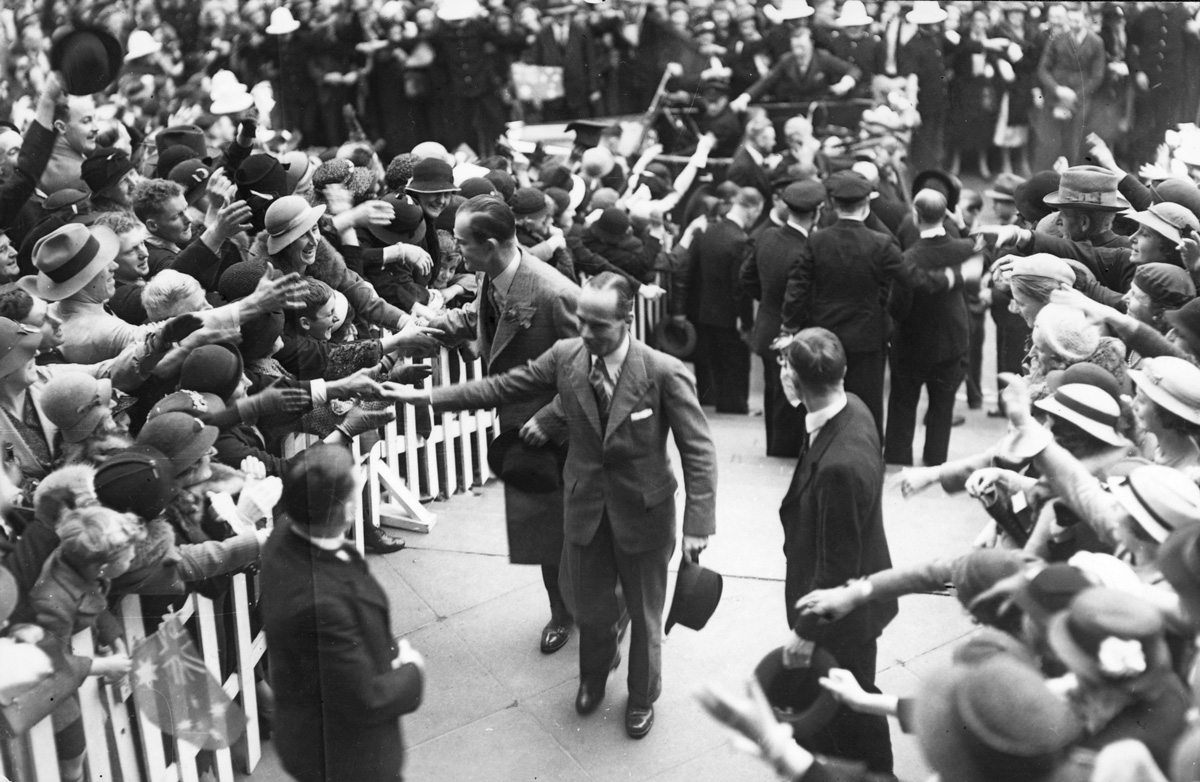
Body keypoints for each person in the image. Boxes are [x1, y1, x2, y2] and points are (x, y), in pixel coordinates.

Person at [393, 272, 717, 740]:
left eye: (598, 326)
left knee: (645, 618)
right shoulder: (568, 357)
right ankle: (592, 678)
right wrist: (424, 396)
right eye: (581, 322)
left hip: (645, 514)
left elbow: (699, 450)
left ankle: (642, 696)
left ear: (627, 320)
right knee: (590, 606)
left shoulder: (663, 372)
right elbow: (501, 387)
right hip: (585, 507)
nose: (585, 333)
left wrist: (698, 523)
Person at [424, 194, 581, 655]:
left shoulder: (555, 292)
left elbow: (589, 369)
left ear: (490, 244)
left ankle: (608, 609)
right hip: (519, 432)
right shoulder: (491, 275)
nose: (456, 252)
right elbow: (483, 319)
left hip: (562, 434)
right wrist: (431, 326)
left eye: (461, 243)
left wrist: (550, 419)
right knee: (542, 530)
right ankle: (562, 613)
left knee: (581, 530)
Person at [260, 444, 426, 782]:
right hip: (347, 757)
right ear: (349, 510)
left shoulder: (283, 536)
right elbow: (365, 698)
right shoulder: (321, 606)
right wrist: (412, 671)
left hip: (308, 732)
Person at [778, 327, 896, 774]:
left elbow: (836, 570)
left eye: (786, 367)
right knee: (847, 704)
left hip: (843, 620)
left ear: (793, 381)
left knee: (850, 711)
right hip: (856, 603)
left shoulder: (839, 467)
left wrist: (804, 633)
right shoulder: (854, 407)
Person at [782, 172, 903, 435]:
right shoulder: (881, 242)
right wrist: (887, 312)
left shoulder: (816, 240)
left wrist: (790, 326)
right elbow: (903, 280)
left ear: (835, 206)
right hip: (868, 335)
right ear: (866, 205)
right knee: (867, 402)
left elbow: (798, 285)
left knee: (822, 398)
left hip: (825, 333)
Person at [884, 189, 973, 466]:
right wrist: (961, 225)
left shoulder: (909, 258)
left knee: (902, 406)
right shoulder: (963, 248)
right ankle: (935, 462)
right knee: (942, 407)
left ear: (915, 215)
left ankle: (899, 460)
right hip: (951, 341)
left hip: (912, 343)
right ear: (946, 214)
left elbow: (897, 307)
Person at [740, 180, 825, 457]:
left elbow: (747, 277)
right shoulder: (806, 249)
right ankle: (783, 450)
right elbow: (797, 296)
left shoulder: (767, 237)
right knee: (789, 393)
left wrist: (767, 301)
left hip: (766, 324)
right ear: (816, 213)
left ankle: (773, 444)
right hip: (790, 331)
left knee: (772, 390)